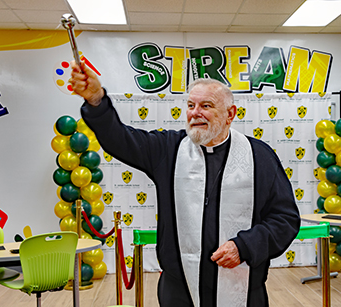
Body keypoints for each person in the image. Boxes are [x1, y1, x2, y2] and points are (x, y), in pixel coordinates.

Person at [70, 61, 300, 307]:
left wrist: (244, 246)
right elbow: (120, 139)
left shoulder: (259, 156)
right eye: (191, 105)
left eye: (206, 106)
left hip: (243, 287)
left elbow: (284, 219)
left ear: (230, 114)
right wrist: (96, 99)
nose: (195, 112)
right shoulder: (168, 150)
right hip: (178, 291)